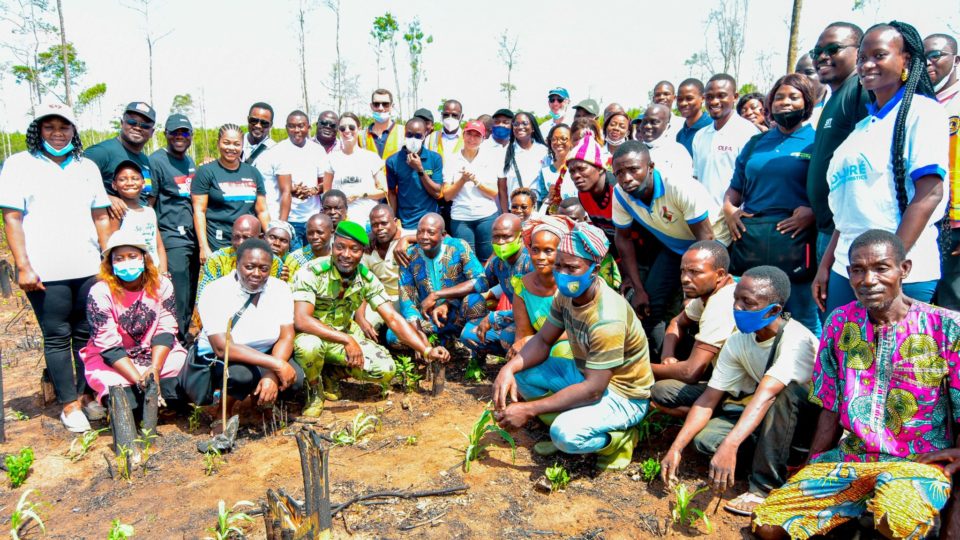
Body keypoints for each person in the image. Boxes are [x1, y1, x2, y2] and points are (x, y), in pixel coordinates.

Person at [752, 230, 960, 540]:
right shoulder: (839, 323)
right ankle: (856, 517)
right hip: (853, 458)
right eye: (858, 270)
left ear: (904, 270)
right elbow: (830, 407)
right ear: (848, 274)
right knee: (769, 526)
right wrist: (812, 467)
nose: (868, 279)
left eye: (881, 268)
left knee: (898, 521)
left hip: (916, 465)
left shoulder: (946, 327)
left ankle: (877, 519)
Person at [492, 223, 653, 470]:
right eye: (559, 266)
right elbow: (543, 340)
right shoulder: (566, 295)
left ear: (594, 270)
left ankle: (619, 440)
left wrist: (529, 409)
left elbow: (593, 390)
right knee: (522, 372)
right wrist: (508, 369)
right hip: (584, 374)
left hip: (623, 394)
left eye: (572, 267)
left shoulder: (607, 316)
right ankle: (579, 418)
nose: (562, 273)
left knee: (564, 435)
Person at [662, 266, 818, 517]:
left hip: (804, 424)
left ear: (775, 310)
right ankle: (761, 455)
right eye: (736, 299)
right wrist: (676, 448)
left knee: (786, 393)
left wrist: (731, 444)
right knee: (706, 442)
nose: (737, 308)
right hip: (766, 414)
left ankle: (763, 488)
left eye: (748, 302)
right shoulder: (738, 340)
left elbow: (767, 394)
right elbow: (708, 398)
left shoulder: (796, 339)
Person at [816, 22, 948, 314]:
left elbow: (929, 195)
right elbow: (849, 209)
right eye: (863, 57)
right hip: (847, 269)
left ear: (907, 60)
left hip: (900, 271)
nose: (867, 64)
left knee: (896, 360)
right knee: (847, 358)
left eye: (879, 55)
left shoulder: (924, 113)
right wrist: (826, 264)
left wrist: (890, 266)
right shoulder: (862, 128)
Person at [0, 102, 112, 432]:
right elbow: (12, 218)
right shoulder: (19, 165)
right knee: (57, 337)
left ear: (73, 131)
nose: (57, 133)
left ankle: (85, 394)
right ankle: (68, 405)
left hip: (88, 267)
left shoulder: (86, 166)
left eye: (63, 127)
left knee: (86, 333)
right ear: (38, 131)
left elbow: (101, 216)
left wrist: (108, 259)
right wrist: (23, 266)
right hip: (45, 272)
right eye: (49, 127)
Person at [292, 221, 450, 415]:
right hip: (312, 336)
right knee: (309, 347)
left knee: (386, 368)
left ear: (362, 252)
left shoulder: (366, 278)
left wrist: (426, 350)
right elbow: (302, 320)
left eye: (354, 249)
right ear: (333, 247)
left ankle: (331, 374)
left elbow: (392, 317)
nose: (346, 255)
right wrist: (347, 339)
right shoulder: (311, 272)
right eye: (340, 247)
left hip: (342, 335)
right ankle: (314, 389)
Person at [612, 141, 730, 360]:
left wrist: (692, 287)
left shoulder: (677, 185)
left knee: (703, 304)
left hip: (712, 245)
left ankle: (701, 364)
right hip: (676, 246)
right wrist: (638, 289)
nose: (626, 178)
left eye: (633, 169)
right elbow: (623, 239)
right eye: (619, 173)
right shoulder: (620, 194)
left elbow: (706, 237)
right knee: (649, 303)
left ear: (650, 166)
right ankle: (661, 362)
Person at [723, 74, 820, 336]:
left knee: (803, 316)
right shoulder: (756, 143)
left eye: (793, 97)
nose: (785, 103)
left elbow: (828, 190)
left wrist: (813, 212)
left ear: (807, 103)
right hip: (753, 239)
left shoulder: (817, 141)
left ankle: (812, 375)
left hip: (795, 241)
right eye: (779, 97)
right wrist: (730, 210)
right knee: (753, 311)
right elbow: (735, 188)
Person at [191, 238, 303, 413]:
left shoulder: (280, 288)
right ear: (236, 264)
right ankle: (223, 413)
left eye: (264, 268)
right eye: (249, 267)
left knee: (295, 379)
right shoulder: (215, 291)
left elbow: (286, 336)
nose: (257, 273)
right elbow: (223, 347)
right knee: (240, 377)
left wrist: (272, 373)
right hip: (224, 357)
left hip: (265, 352)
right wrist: (277, 365)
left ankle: (259, 404)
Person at [80, 229, 186, 414]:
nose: (126, 262)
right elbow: (108, 345)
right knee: (125, 399)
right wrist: (142, 381)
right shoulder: (100, 292)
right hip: (116, 360)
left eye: (132, 256)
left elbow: (166, 329)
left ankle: (159, 393)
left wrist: (154, 368)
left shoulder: (162, 285)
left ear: (144, 258)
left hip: (152, 354)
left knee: (182, 365)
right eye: (119, 258)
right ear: (110, 263)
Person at [806, 22, 870, 268]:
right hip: (828, 229)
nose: (822, 57)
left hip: (847, 234)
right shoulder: (835, 96)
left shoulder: (860, 91)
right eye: (817, 52)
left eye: (833, 49)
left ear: (859, 51)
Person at [649, 241, 737, 415]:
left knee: (659, 390)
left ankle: (719, 413)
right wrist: (668, 357)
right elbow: (677, 322)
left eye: (695, 272)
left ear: (719, 274)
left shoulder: (721, 303)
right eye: (683, 270)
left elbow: (690, 373)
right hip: (725, 377)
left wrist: (639, 367)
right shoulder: (709, 293)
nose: (684, 278)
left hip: (740, 388)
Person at [397, 213, 485, 342]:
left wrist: (439, 296)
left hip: (458, 313)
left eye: (430, 232)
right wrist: (417, 331)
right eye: (420, 232)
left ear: (443, 235)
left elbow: (481, 281)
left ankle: (471, 345)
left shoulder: (458, 247)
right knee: (393, 336)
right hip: (428, 318)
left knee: (475, 301)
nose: (424, 237)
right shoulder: (410, 255)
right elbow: (406, 299)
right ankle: (431, 346)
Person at [150, 113, 198, 343]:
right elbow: (150, 203)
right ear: (165, 134)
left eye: (185, 132)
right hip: (171, 235)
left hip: (192, 236)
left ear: (191, 136)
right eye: (175, 132)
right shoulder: (157, 161)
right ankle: (176, 341)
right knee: (177, 291)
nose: (180, 137)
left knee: (191, 290)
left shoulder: (189, 162)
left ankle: (189, 334)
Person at [192, 124, 270, 258]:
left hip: (249, 243)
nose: (231, 148)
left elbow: (262, 211)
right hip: (218, 242)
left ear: (242, 146)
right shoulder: (206, 172)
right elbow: (199, 211)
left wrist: (270, 239)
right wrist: (203, 247)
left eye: (236, 144)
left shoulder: (253, 172)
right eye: (226, 143)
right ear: (218, 143)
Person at [256, 110, 332, 249]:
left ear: (309, 127)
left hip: (312, 217)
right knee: (292, 261)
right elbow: (278, 186)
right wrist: (293, 189)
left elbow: (325, 183)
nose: (297, 130)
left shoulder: (317, 150)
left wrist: (313, 190)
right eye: (292, 126)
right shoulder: (278, 151)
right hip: (289, 218)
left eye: (301, 126)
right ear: (286, 128)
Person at [461, 213, 533, 355]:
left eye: (506, 237)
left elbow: (534, 311)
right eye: (496, 237)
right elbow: (479, 283)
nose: (500, 242)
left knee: (507, 336)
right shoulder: (497, 263)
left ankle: (529, 367)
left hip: (537, 322)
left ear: (520, 236)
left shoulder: (530, 263)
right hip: (514, 317)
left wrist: (494, 317)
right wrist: (443, 298)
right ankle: (500, 356)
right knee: (468, 331)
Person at [692, 74, 761, 204]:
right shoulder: (700, 135)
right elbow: (696, 177)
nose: (714, 102)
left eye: (721, 95)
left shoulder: (749, 133)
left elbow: (754, 180)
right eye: (709, 97)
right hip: (704, 216)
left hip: (736, 216)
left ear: (735, 97)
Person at [928, 33, 960, 310]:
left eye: (935, 55)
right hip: (927, 219)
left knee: (953, 305)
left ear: (956, 59)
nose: (928, 62)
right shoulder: (922, 102)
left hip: (956, 222)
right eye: (922, 56)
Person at [86, 101, 156, 215]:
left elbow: (145, 197)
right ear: (122, 123)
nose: (138, 128)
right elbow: (74, 184)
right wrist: (106, 198)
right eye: (132, 122)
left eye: (145, 125)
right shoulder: (101, 152)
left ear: (152, 132)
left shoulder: (145, 160)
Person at [444, 120, 499, 262]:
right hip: (461, 218)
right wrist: (462, 180)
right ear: (463, 134)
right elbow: (447, 195)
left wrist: (476, 181)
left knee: (487, 260)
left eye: (477, 136)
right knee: (466, 261)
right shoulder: (451, 159)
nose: (472, 139)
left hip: (486, 216)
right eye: (469, 134)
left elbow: (493, 192)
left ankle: (487, 285)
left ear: (483, 139)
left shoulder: (489, 159)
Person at [197, 215, 283, 298]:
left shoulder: (273, 262)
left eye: (246, 237)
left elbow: (272, 295)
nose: (240, 242)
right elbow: (203, 296)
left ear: (260, 238)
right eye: (236, 237)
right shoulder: (217, 259)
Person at [326, 112, 386, 227]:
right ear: (339, 131)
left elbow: (384, 191)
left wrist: (360, 194)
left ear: (359, 129)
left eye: (351, 127)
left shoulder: (371, 157)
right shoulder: (331, 159)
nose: (347, 131)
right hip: (342, 223)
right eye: (342, 128)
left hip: (368, 221)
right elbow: (326, 194)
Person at [386, 116, 443, 235]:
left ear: (425, 134)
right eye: (409, 134)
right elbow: (392, 193)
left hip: (429, 223)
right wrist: (393, 220)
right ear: (404, 134)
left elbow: (437, 192)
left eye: (418, 136)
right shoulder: (393, 161)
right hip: (405, 223)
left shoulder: (434, 158)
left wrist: (420, 169)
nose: (413, 139)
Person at [108, 160, 166, 272]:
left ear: (143, 183)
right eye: (122, 179)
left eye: (135, 178)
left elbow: (159, 246)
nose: (130, 182)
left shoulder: (150, 212)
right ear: (114, 185)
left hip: (154, 273)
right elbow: (110, 248)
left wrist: (164, 272)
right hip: (130, 274)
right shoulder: (116, 212)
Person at [556, 197, 621, 289]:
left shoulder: (596, 243)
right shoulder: (554, 240)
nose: (566, 223)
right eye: (561, 219)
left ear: (585, 218)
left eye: (572, 219)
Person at [358, 204, 404, 335]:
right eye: (375, 225)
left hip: (406, 298)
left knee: (395, 336)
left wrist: (406, 239)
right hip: (380, 298)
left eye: (384, 223)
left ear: (395, 222)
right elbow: (364, 286)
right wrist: (360, 318)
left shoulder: (408, 240)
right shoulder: (367, 248)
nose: (380, 228)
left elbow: (441, 238)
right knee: (363, 328)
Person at [569, 134, 619, 244]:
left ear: (600, 168)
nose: (576, 175)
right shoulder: (583, 195)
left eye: (581, 168)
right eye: (572, 171)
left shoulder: (618, 191)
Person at [498, 111, 548, 212]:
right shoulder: (504, 153)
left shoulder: (544, 151)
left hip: (538, 209)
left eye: (525, 123)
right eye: (516, 124)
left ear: (533, 128)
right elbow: (502, 189)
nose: (520, 127)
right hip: (515, 209)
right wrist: (505, 213)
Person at [638, 104, 694, 179]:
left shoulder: (678, 152)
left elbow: (683, 185)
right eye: (644, 121)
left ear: (667, 127)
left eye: (654, 122)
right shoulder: (635, 150)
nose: (647, 126)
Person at [535, 124, 576, 214]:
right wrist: (550, 195)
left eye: (563, 138)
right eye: (554, 139)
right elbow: (543, 199)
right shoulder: (545, 172)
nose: (558, 142)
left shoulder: (579, 168)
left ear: (571, 141)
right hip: (555, 220)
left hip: (577, 218)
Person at [283, 213, 332, 280]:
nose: (315, 237)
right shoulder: (295, 258)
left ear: (331, 233)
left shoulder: (338, 259)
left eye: (320, 232)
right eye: (310, 233)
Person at [360, 89, 404, 161]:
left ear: (392, 106)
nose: (380, 108)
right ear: (371, 106)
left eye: (385, 104)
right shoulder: (361, 136)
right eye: (376, 104)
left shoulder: (404, 132)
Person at [675, 78, 713, 156]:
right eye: (680, 99)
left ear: (702, 98)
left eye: (689, 98)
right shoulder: (680, 134)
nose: (683, 103)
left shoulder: (712, 128)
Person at [794, 55, 830, 128]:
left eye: (809, 72)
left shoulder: (835, 107)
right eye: (797, 73)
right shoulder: (788, 109)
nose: (802, 77)